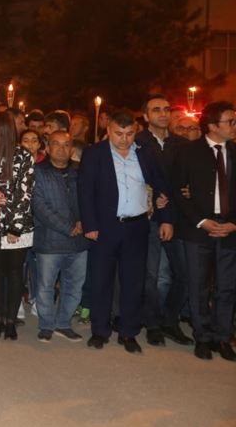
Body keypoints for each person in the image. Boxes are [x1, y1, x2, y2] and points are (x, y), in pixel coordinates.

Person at [78, 109, 173, 354]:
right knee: (101, 280)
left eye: (129, 133)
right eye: (119, 133)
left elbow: (162, 187)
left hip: (137, 226)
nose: (124, 139)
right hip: (105, 227)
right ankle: (100, 330)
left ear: (136, 131)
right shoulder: (94, 154)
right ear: (109, 130)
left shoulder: (145, 153)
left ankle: (129, 332)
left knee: (134, 281)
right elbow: (85, 191)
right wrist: (90, 225)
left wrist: (166, 219)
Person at [172, 101, 236, 361]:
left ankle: (223, 337)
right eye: (230, 121)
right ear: (212, 125)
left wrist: (234, 223)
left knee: (227, 287)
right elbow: (178, 191)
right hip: (198, 229)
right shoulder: (189, 152)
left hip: (230, 229)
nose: (234, 125)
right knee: (198, 286)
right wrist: (201, 221)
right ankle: (203, 337)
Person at [135, 94, 193, 347]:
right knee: (152, 275)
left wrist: (192, 189)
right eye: (156, 109)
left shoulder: (182, 145)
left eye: (166, 109)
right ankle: (153, 324)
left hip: (179, 217)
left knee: (183, 274)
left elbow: (193, 176)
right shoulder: (137, 143)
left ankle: (169, 320)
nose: (163, 113)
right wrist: (151, 193)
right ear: (145, 116)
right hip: (149, 217)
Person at [32, 131, 88, 342]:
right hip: (50, 240)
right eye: (56, 144)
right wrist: (67, 227)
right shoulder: (37, 171)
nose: (61, 148)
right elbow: (39, 206)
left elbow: (90, 198)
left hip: (79, 241)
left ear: (72, 149)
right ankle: (46, 325)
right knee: (45, 286)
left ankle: (64, 323)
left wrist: (84, 221)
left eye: (66, 144)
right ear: (47, 148)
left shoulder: (81, 170)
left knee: (74, 285)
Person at [0, 112, 34, 341]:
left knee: (14, 273)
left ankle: (11, 320)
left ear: (5, 130)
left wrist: (15, 227)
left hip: (18, 225)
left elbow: (26, 193)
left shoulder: (23, 155)